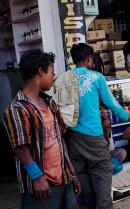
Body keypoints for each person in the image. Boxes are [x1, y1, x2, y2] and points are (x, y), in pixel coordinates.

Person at [1, 49, 81, 208]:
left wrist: (72, 173)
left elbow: (60, 141)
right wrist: (37, 178)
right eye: (51, 72)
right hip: (41, 186)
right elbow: (20, 148)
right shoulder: (17, 108)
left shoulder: (50, 103)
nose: (54, 76)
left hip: (64, 179)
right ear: (40, 72)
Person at [66, 43, 130, 209]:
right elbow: (111, 103)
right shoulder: (95, 77)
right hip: (93, 137)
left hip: (73, 138)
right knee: (102, 178)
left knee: (84, 179)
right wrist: (129, 117)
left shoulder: (64, 79)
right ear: (89, 59)